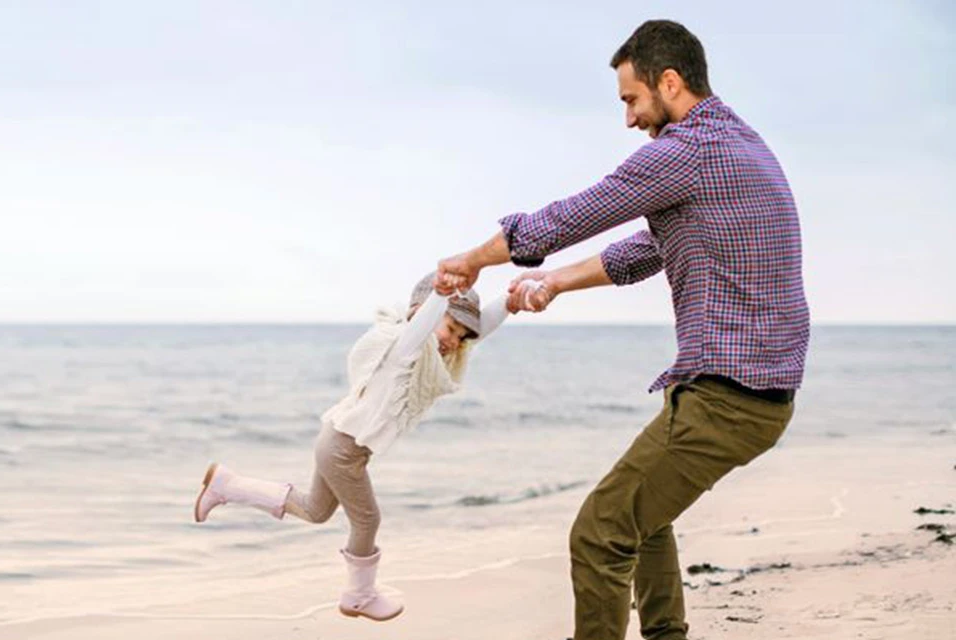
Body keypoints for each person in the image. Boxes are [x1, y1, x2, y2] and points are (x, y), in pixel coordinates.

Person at [434, 19, 809, 640]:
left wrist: (473, 259)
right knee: (644, 520)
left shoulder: (685, 152)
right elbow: (646, 249)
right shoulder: (738, 147)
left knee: (598, 533)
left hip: (728, 400)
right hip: (748, 396)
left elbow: (568, 217)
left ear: (669, 81)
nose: (630, 118)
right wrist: (554, 283)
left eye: (631, 100)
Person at [193, 273, 530, 621]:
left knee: (315, 511)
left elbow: (479, 330)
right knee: (368, 521)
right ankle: (359, 596)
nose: (454, 341)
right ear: (425, 313)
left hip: (337, 441)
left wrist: (509, 302)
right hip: (341, 450)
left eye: (461, 336)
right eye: (450, 328)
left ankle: (227, 485)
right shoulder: (404, 346)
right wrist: (441, 295)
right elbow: (426, 320)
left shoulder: (425, 358)